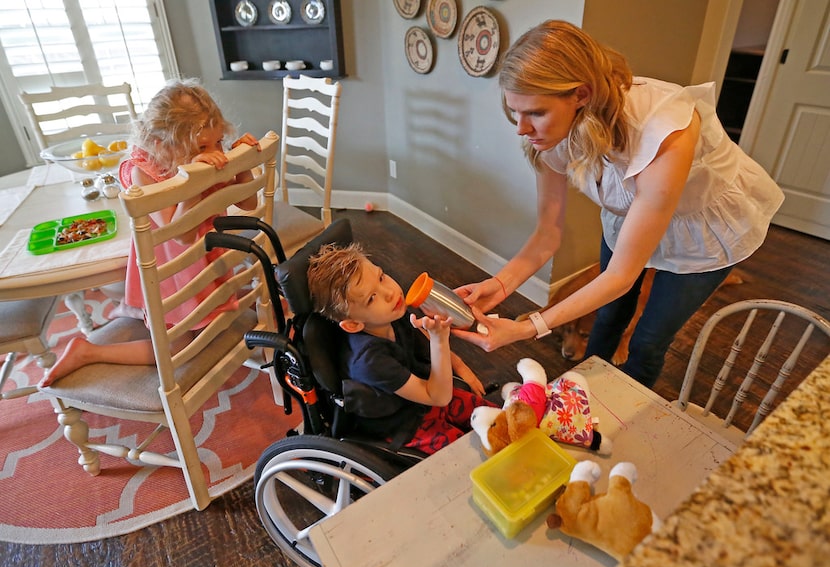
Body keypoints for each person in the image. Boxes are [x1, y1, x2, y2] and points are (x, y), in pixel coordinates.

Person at [453, 20, 784, 388]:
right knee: (609, 314)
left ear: (581, 94)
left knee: (648, 340)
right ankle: (583, 392)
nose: (521, 128)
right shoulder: (551, 134)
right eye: (516, 112)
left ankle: (621, 412)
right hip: (633, 218)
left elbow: (620, 276)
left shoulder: (665, 131)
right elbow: (548, 234)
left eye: (535, 113)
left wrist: (529, 327)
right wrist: (500, 285)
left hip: (701, 232)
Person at [40, 78, 260, 386]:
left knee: (215, 323)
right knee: (178, 349)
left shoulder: (208, 156)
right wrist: (193, 177)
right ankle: (88, 351)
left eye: (219, 142)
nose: (215, 152)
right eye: (202, 146)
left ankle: (162, 316)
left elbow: (248, 201)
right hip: (172, 274)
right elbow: (179, 234)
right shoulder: (143, 171)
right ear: (161, 144)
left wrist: (242, 161)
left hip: (203, 261)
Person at [307, 242, 498, 455]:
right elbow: (439, 397)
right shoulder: (370, 361)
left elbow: (424, 339)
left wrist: (461, 367)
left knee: (492, 415)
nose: (389, 292)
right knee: (468, 453)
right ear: (353, 324)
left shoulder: (392, 314)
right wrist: (439, 341)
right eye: (372, 298)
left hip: (425, 394)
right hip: (403, 421)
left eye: (381, 277)